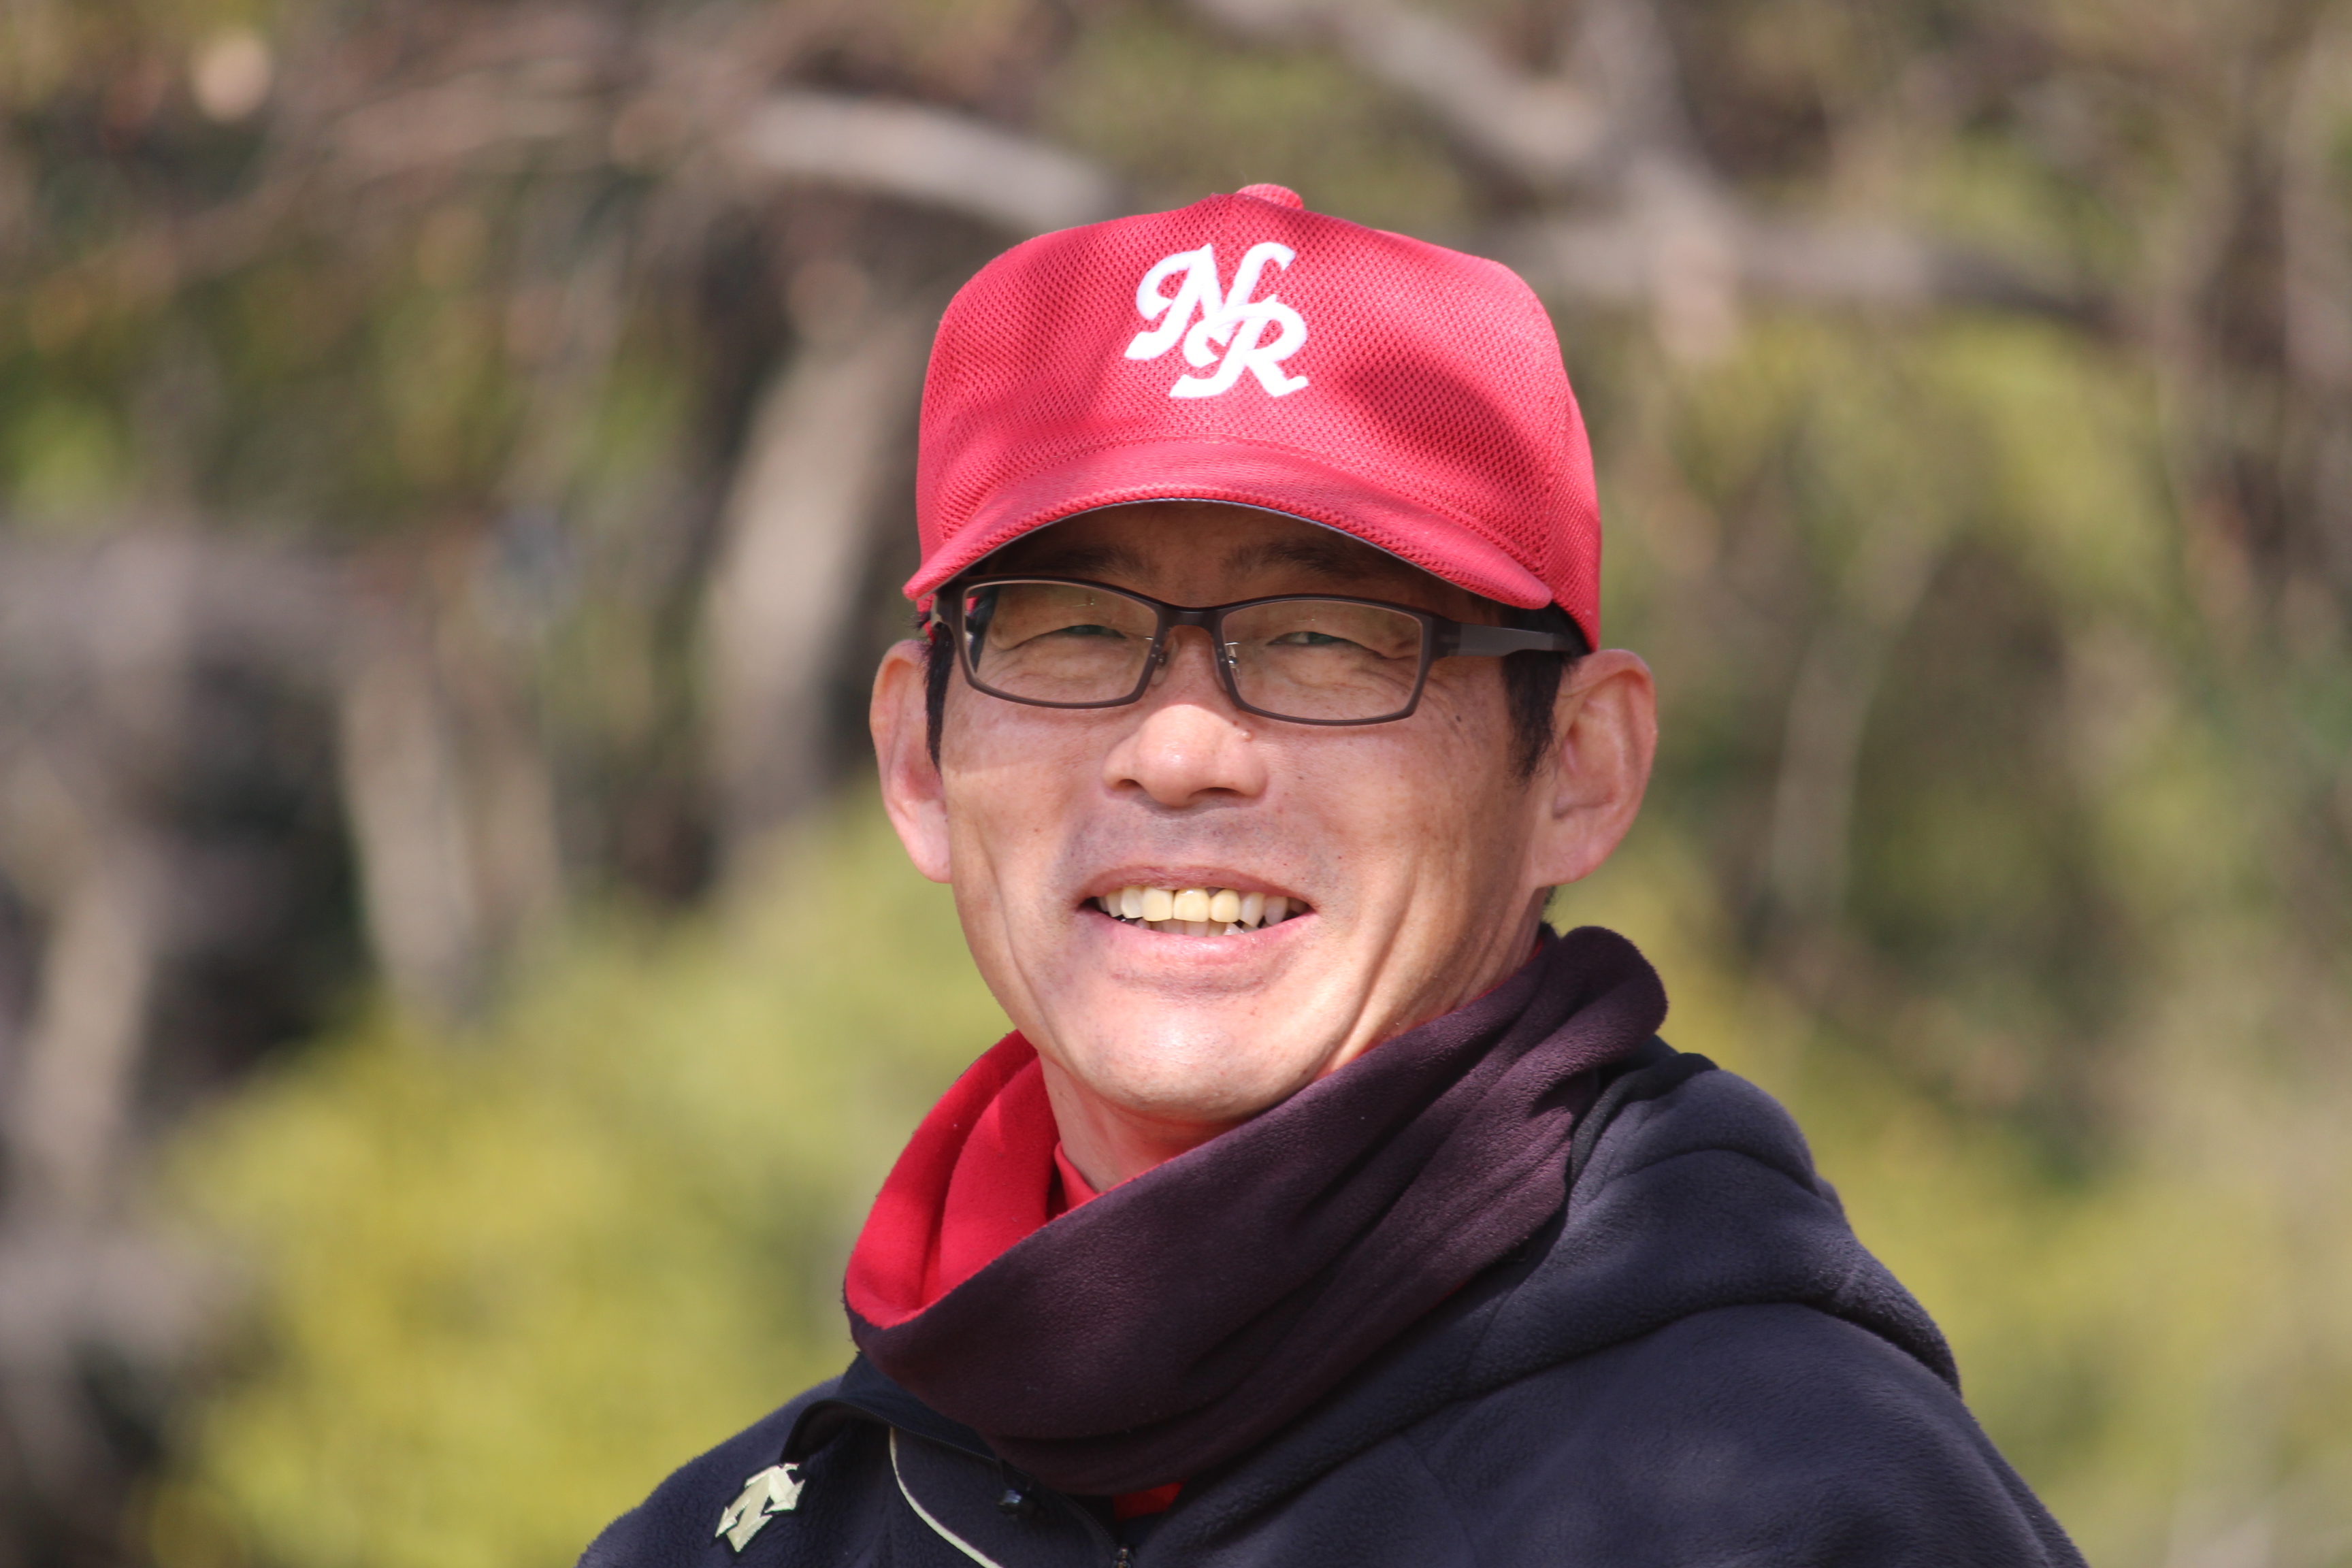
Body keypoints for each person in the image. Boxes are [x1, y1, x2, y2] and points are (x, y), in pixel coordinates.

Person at [581, 184, 2084, 1567]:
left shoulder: (1798, 1501)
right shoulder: (737, 1540)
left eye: (1325, 639)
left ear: (1577, 768)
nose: (1180, 750)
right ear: (919, 760)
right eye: (1074, 628)